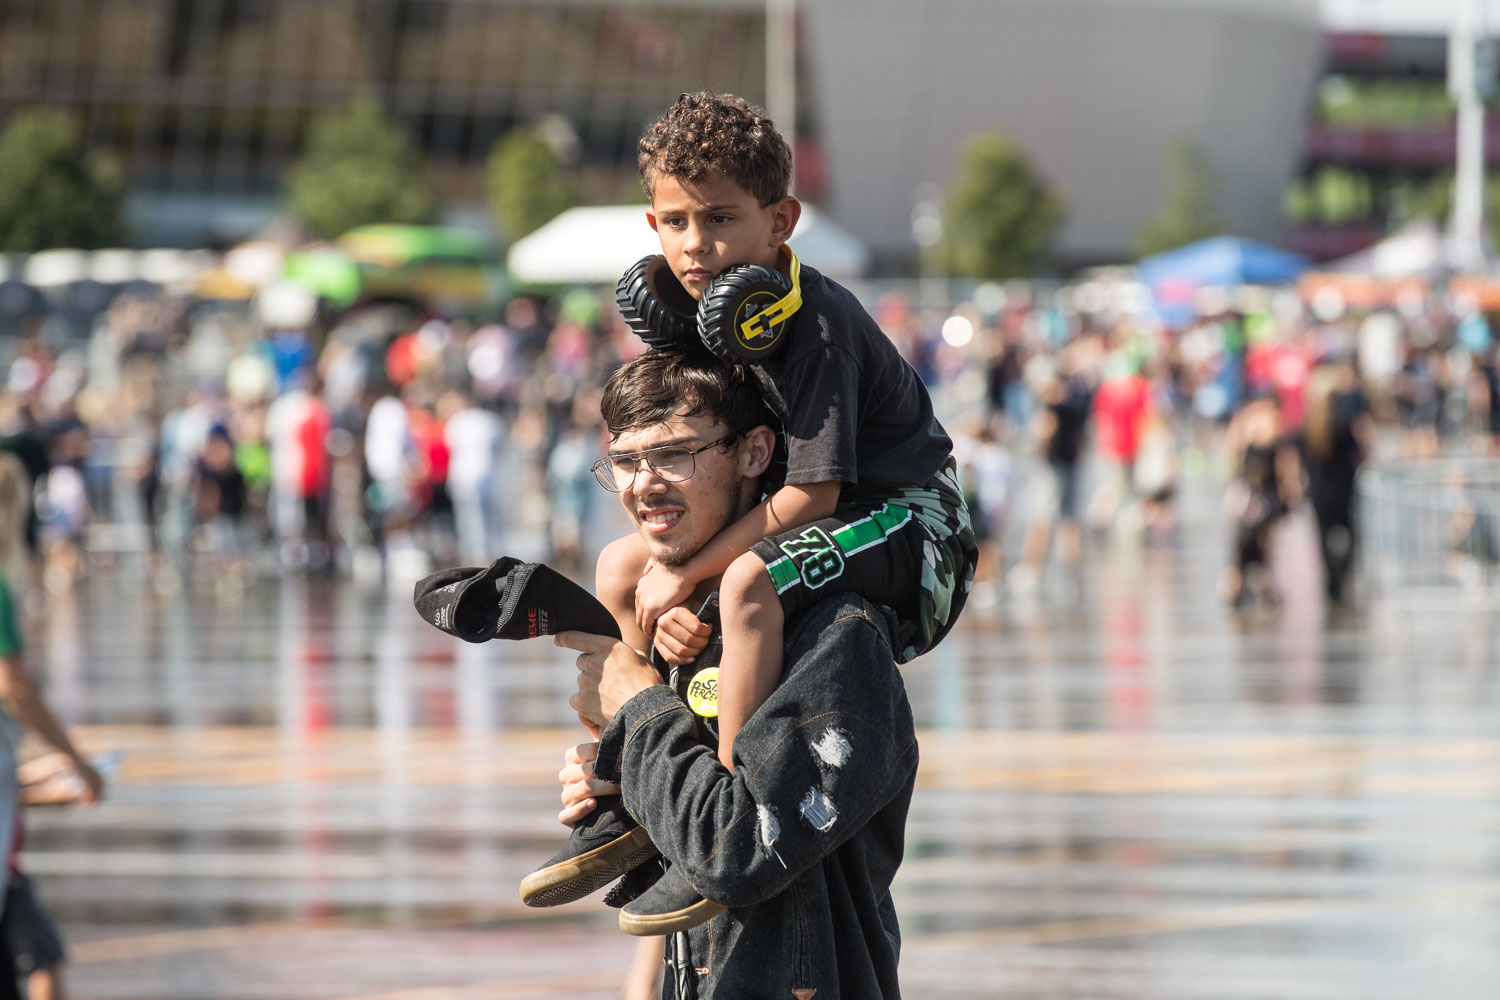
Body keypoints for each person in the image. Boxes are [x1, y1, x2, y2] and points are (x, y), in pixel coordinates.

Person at [583, 90, 973, 930]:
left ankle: (729, 807)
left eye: (720, 218)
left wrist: (689, 572)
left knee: (752, 580)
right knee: (621, 567)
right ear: (651, 225)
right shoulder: (704, 315)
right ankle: (627, 789)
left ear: (781, 220)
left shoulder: (816, 322)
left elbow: (812, 497)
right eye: (675, 221)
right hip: (817, 523)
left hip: (914, 528)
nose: (696, 244)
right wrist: (669, 587)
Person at [556, 349, 920, 998]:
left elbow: (737, 853)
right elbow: (678, 863)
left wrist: (641, 713)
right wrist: (617, 782)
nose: (643, 484)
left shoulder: (836, 639)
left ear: (754, 453)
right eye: (626, 461)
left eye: (673, 455)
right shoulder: (676, 623)